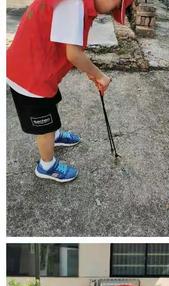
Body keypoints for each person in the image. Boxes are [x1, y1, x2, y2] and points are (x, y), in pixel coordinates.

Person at [6, 0, 130, 182]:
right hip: (29, 76)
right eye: (117, 6)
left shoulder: (76, 4)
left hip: (40, 70)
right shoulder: (73, 4)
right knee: (44, 126)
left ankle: (54, 136)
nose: (112, 11)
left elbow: (67, 48)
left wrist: (90, 71)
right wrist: (100, 76)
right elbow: (73, 54)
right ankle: (46, 166)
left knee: (52, 102)